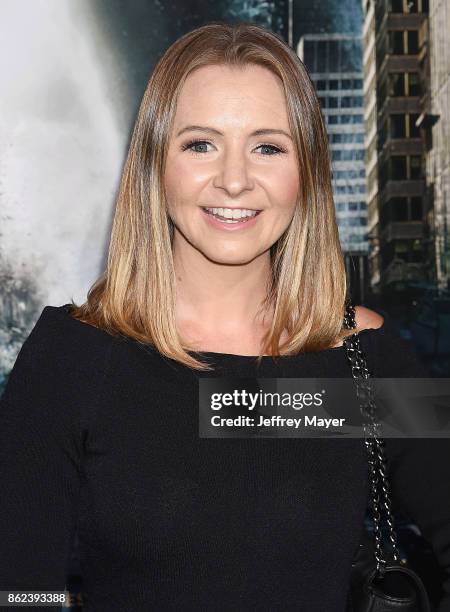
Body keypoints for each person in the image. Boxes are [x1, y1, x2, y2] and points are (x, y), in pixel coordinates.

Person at [0, 22, 449, 612]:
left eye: (268, 146)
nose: (235, 180)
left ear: (306, 172)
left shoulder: (360, 356)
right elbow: (21, 586)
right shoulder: (75, 355)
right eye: (200, 144)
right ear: (156, 166)